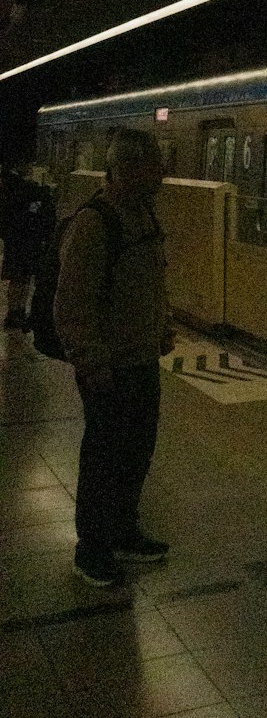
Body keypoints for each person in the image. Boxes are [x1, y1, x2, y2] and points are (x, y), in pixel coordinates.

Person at [54, 129, 174, 587]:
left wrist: (162, 326)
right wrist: (90, 359)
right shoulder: (94, 222)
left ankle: (123, 532)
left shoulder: (143, 213)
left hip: (141, 358)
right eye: (152, 170)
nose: (160, 179)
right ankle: (92, 549)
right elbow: (72, 302)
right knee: (104, 458)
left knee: (136, 451)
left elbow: (152, 278)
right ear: (125, 171)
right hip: (107, 365)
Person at [0, 164, 56, 332]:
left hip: (18, 240)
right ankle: (17, 311)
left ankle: (16, 311)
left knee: (20, 279)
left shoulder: (12, 191)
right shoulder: (21, 191)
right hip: (25, 240)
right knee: (22, 279)